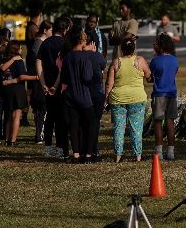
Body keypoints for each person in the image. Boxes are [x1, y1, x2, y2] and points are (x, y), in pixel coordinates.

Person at [105, 35, 152, 162]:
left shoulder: (116, 62)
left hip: (118, 99)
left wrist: (106, 100)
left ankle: (118, 155)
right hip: (137, 98)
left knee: (118, 128)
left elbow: (109, 84)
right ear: (133, 48)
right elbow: (149, 76)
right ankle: (137, 155)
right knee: (136, 128)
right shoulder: (140, 60)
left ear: (121, 49)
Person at [57, 29, 97, 162]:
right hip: (83, 95)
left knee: (74, 125)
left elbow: (64, 78)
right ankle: (89, 154)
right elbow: (87, 77)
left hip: (70, 95)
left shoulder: (67, 56)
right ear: (81, 41)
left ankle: (76, 154)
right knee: (91, 124)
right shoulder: (85, 57)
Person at [37, 16, 72, 158]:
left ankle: (48, 148)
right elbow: (62, 67)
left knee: (49, 116)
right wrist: (55, 86)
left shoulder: (45, 43)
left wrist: (43, 83)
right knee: (61, 118)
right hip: (59, 85)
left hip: (47, 84)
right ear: (65, 29)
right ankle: (60, 148)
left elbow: (38, 62)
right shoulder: (64, 44)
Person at [0, 40, 36, 146]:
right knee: (16, 115)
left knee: (9, 116)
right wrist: (36, 77)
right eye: (20, 47)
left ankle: (6, 139)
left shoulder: (5, 59)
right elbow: (22, 77)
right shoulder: (18, 60)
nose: (21, 49)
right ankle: (13, 140)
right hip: (17, 90)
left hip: (7, 90)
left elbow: (2, 69)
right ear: (16, 49)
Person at [149, 34, 179, 161]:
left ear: (160, 47)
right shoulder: (174, 60)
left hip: (159, 94)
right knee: (170, 122)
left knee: (157, 122)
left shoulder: (155, 60)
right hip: (171, 93)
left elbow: (150, 77)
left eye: (155, 44)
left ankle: (159, 151)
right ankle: (171, 151)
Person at [82, 29, 107, 160]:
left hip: (83, 94)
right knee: (95, 123)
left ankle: (83, 149)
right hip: (97, 93)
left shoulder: (79, 55)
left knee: (83, 123)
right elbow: (103, 67)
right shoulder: (97, 56)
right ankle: (94, 150)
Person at [26, 20, 51, 143]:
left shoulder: (40, 43)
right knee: (41, 109)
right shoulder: (38, 44)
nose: (52, 32)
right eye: (51, 30)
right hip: (38, 80)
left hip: (38, 80)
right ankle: (39, 135)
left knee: (40, 109)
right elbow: (37, 64)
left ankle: (39, 133)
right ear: (45, 31)